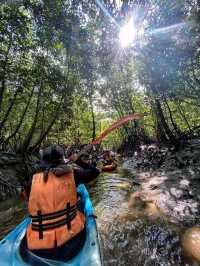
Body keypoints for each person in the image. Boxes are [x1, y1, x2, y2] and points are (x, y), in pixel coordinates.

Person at [21, 145, 100, 262]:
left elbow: (26, 198)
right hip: (71, 244)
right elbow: (95, 172)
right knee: (79, 203)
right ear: (62, 160)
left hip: (38, 249)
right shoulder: (73, 174)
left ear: (43, 162)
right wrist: (78, 161)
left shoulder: (32, 182)